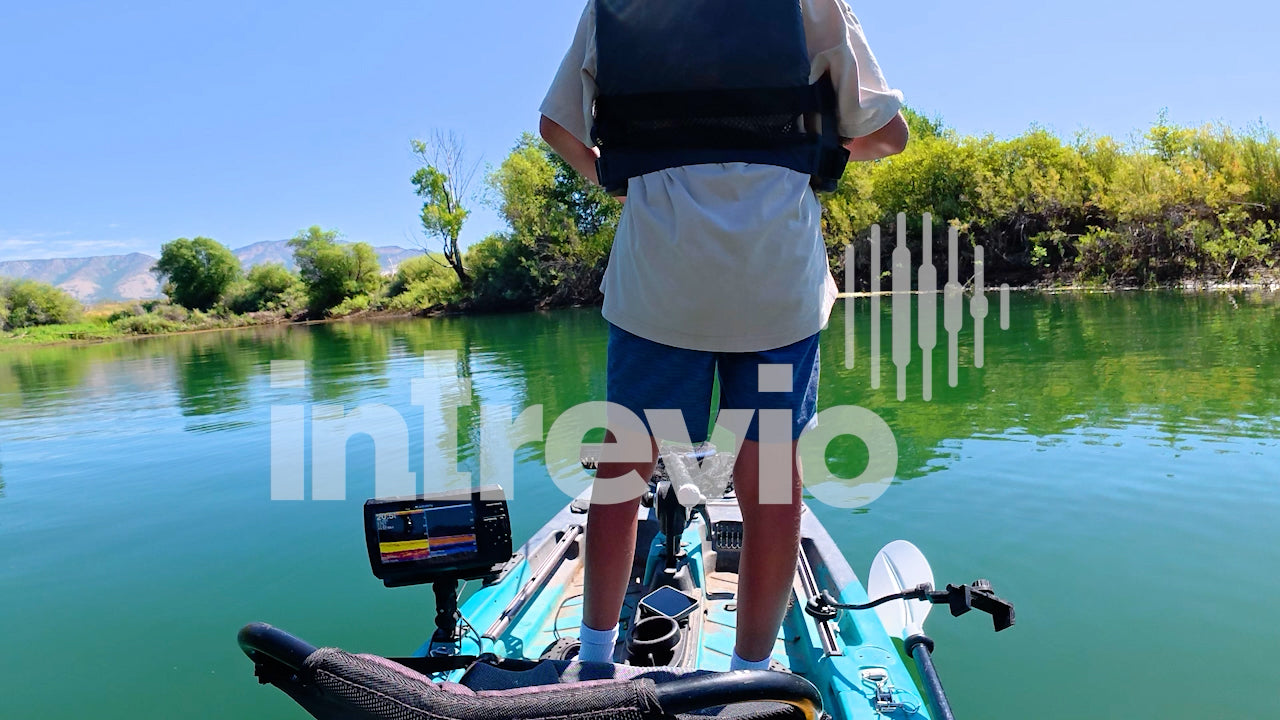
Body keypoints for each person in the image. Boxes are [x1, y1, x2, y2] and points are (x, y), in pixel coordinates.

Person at [539, 0, 908, 671]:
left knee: (625, 469)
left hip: (660, 282)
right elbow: (889, 134)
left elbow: (557, 126)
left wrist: (616, 178)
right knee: (770, 479)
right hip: (775, 286)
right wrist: (812, 156)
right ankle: (749, 675)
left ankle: (593, 660)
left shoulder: (616, 6)